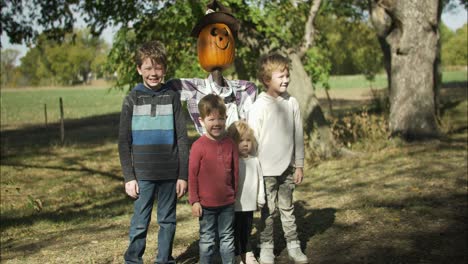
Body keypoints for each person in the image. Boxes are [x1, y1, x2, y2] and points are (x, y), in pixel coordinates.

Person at [118, 40, 189, 264]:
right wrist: (129, 177)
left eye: (158, 67)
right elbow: (123, 141)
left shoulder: (173, 97)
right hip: (143, 174)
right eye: (148, 68)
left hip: (169, 173)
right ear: (139, 69)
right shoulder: (132, 98)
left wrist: (183, 175)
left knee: (168, 221)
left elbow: (182, 138)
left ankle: (164, 260)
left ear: (164, 69)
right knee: (140, 221)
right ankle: (133, 260)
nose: (153, 73)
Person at [247, 53, 308, 264]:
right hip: (265, 171)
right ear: (266, 80)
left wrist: (299, 164)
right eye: (280, 76)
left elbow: (298, 136)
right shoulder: (258, 107)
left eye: (287, 75)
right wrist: (253, 171)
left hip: (288, 169)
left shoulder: (292, 103)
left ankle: (293, 245)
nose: (286, 79)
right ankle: (266, 248)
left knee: (287, 209)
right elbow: (251, 142)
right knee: (268, 212)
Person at [188, 94, 239, 264]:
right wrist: (194, 200)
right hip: (206, 205)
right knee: (207, 240)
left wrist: (234, 195)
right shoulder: (198, 146)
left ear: (225, 118)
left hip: (227, 203)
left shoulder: (230, 144)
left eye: (220, 119)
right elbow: (192, 175)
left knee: (227, 238)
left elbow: (235, 173)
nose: (216, 123)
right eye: (211, 119)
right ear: (201, 121)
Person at [227, 121, 265, 264]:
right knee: (235, 230)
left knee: (247, 229)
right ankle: (237, 254)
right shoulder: (232, 161)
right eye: (240, 140)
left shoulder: (255, 161)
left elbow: (260, 179)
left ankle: (247, 252)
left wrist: (261, 196)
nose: (245, 144)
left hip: (249, 204)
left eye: (248, 140)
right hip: (235, 204)